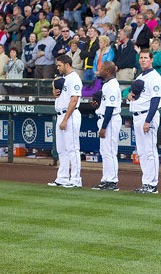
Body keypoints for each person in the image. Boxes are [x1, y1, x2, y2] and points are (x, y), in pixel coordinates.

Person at [128, 49, 161, 194]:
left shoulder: (155, 77)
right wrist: (130, 97)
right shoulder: (141, 75)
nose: (143, 60)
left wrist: (148, 121)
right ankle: (146, 182)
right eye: (141, 58)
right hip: (138, 116)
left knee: (149, 151)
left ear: (151, 60)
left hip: (147, 116)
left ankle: (152, 184)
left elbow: (155, 100)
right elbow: (137, 96)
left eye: (146, 58)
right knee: (142, 152)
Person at [48, 55, 83, 188]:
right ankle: (62, 178)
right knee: (61, 149)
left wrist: (65, 119)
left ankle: (75, 179)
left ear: (67, 64)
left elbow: (74, 100)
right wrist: (54, 91)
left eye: (59, 65)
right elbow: (58, 90)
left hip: (70, 115)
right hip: (60, 114)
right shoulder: (64, 79)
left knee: (72, 149)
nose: (58, 67)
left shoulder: (74, 78)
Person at [91, 61, 122, 191]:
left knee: (109, 151)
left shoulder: (112, 85)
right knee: (105, 151)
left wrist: (103, 127)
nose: (100, 70)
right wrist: (98, 107)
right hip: (106, 118)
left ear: (108, 71)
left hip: (110, 120)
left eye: (102, 68)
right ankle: (106, 179)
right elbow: (105, 106)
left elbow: (110, 108)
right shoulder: (107, 84)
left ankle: (112, 181)